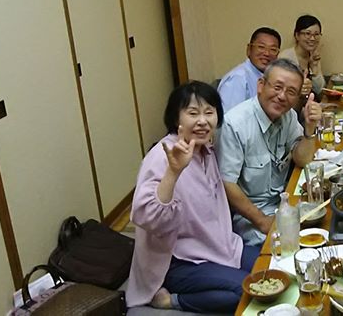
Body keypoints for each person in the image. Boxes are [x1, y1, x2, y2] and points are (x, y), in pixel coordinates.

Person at [126, 81, 259, 313]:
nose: (202, 121)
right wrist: (173, 172)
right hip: (177, 261)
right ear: (176, 118)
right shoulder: (163, 156)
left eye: (209, 112)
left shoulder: (205, 149)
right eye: (193, 113)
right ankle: (172, 301)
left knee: (273, 270)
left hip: (218, 245)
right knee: (247, 290)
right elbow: (147, 217)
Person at [216, 58, 322, 246]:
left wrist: (309, 129)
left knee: (323, 227)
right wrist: (262, 221)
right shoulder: (235, 125)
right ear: (261, 85)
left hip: (284, 205)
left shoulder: (288, 116)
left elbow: (303, 159)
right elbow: (227, 184)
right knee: (293, 248)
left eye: (291, 92)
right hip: (251, 216)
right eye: (277, 87)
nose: (282, 96)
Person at [218, 27, 281, 112]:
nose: (267, 53)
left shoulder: (269, 78)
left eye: (273, 49)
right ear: (249, 49)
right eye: (261, 47)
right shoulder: (238, 78)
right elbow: (230, 117)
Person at [279, 14, 325, 99]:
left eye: (316, 34)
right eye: (307, 33)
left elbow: (319, 90)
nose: (312, 38)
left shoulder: (313, 55)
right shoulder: (285, 58)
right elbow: (283, 92)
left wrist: (314, 68)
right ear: (297, 35)